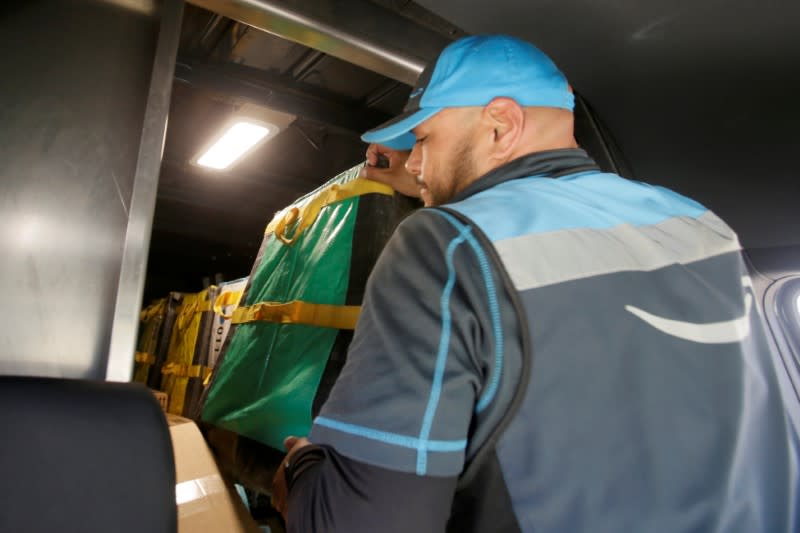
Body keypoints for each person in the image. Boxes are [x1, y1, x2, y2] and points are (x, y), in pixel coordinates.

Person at [271, 35, 797, 532]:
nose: (414, 162)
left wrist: (300, 471)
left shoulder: (445, 245)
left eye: (423, 138)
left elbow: (362, 523)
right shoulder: (701, 224)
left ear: (500, 123)